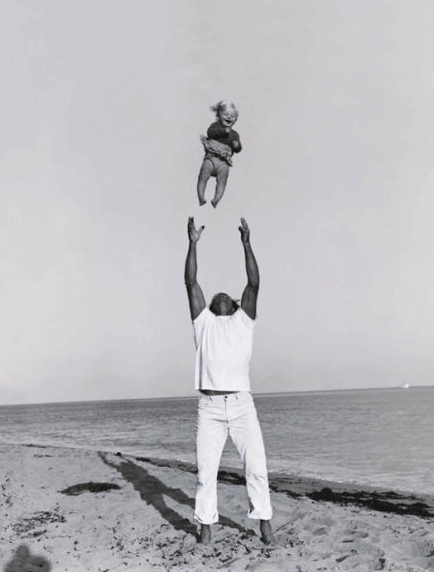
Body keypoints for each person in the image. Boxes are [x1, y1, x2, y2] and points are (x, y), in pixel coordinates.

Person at [184, 216, 274, 545]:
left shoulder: (244, 321)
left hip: (241, 404)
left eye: (227, 296)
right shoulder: (203, 322)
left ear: (235, 305)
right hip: (209, 407)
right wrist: (192, 244)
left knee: (256, 467)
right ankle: (206, 526)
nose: (221, 295)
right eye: (216, 296)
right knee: (206, 472)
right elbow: (191, 282)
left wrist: (247, 244)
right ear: (211, 306)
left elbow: (254, 283)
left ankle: (264, 523)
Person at [197, 101, 242, 208]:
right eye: (226, 114)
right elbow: (210, 133)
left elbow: (238, 149)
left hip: (223, 162)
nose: (229, 117)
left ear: (235, 120)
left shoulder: (235, 134)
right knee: (203, 175)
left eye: (232, 116)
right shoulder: (215, 126)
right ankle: (201, 197)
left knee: (223, 180)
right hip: (211, 158)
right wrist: (223, 131)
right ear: (219, 115)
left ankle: (216, 199)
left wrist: (236, 146)